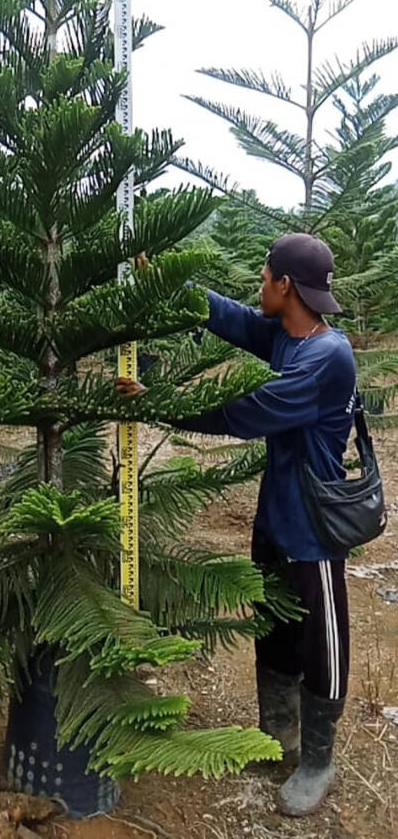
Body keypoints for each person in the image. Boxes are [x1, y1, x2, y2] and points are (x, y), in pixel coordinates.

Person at [116, 233, 356, 818]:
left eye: (265, 276)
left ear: (286, 287)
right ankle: (279, 736)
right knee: (273, 628)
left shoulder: (326, 358)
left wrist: (158, 401)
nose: (259, 283)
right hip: (276, 516)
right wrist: (166, 276)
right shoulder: (287, 336)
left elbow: (243, 412)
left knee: (321, 641)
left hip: (315, 528)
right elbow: (234, 318)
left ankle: (318, 759)